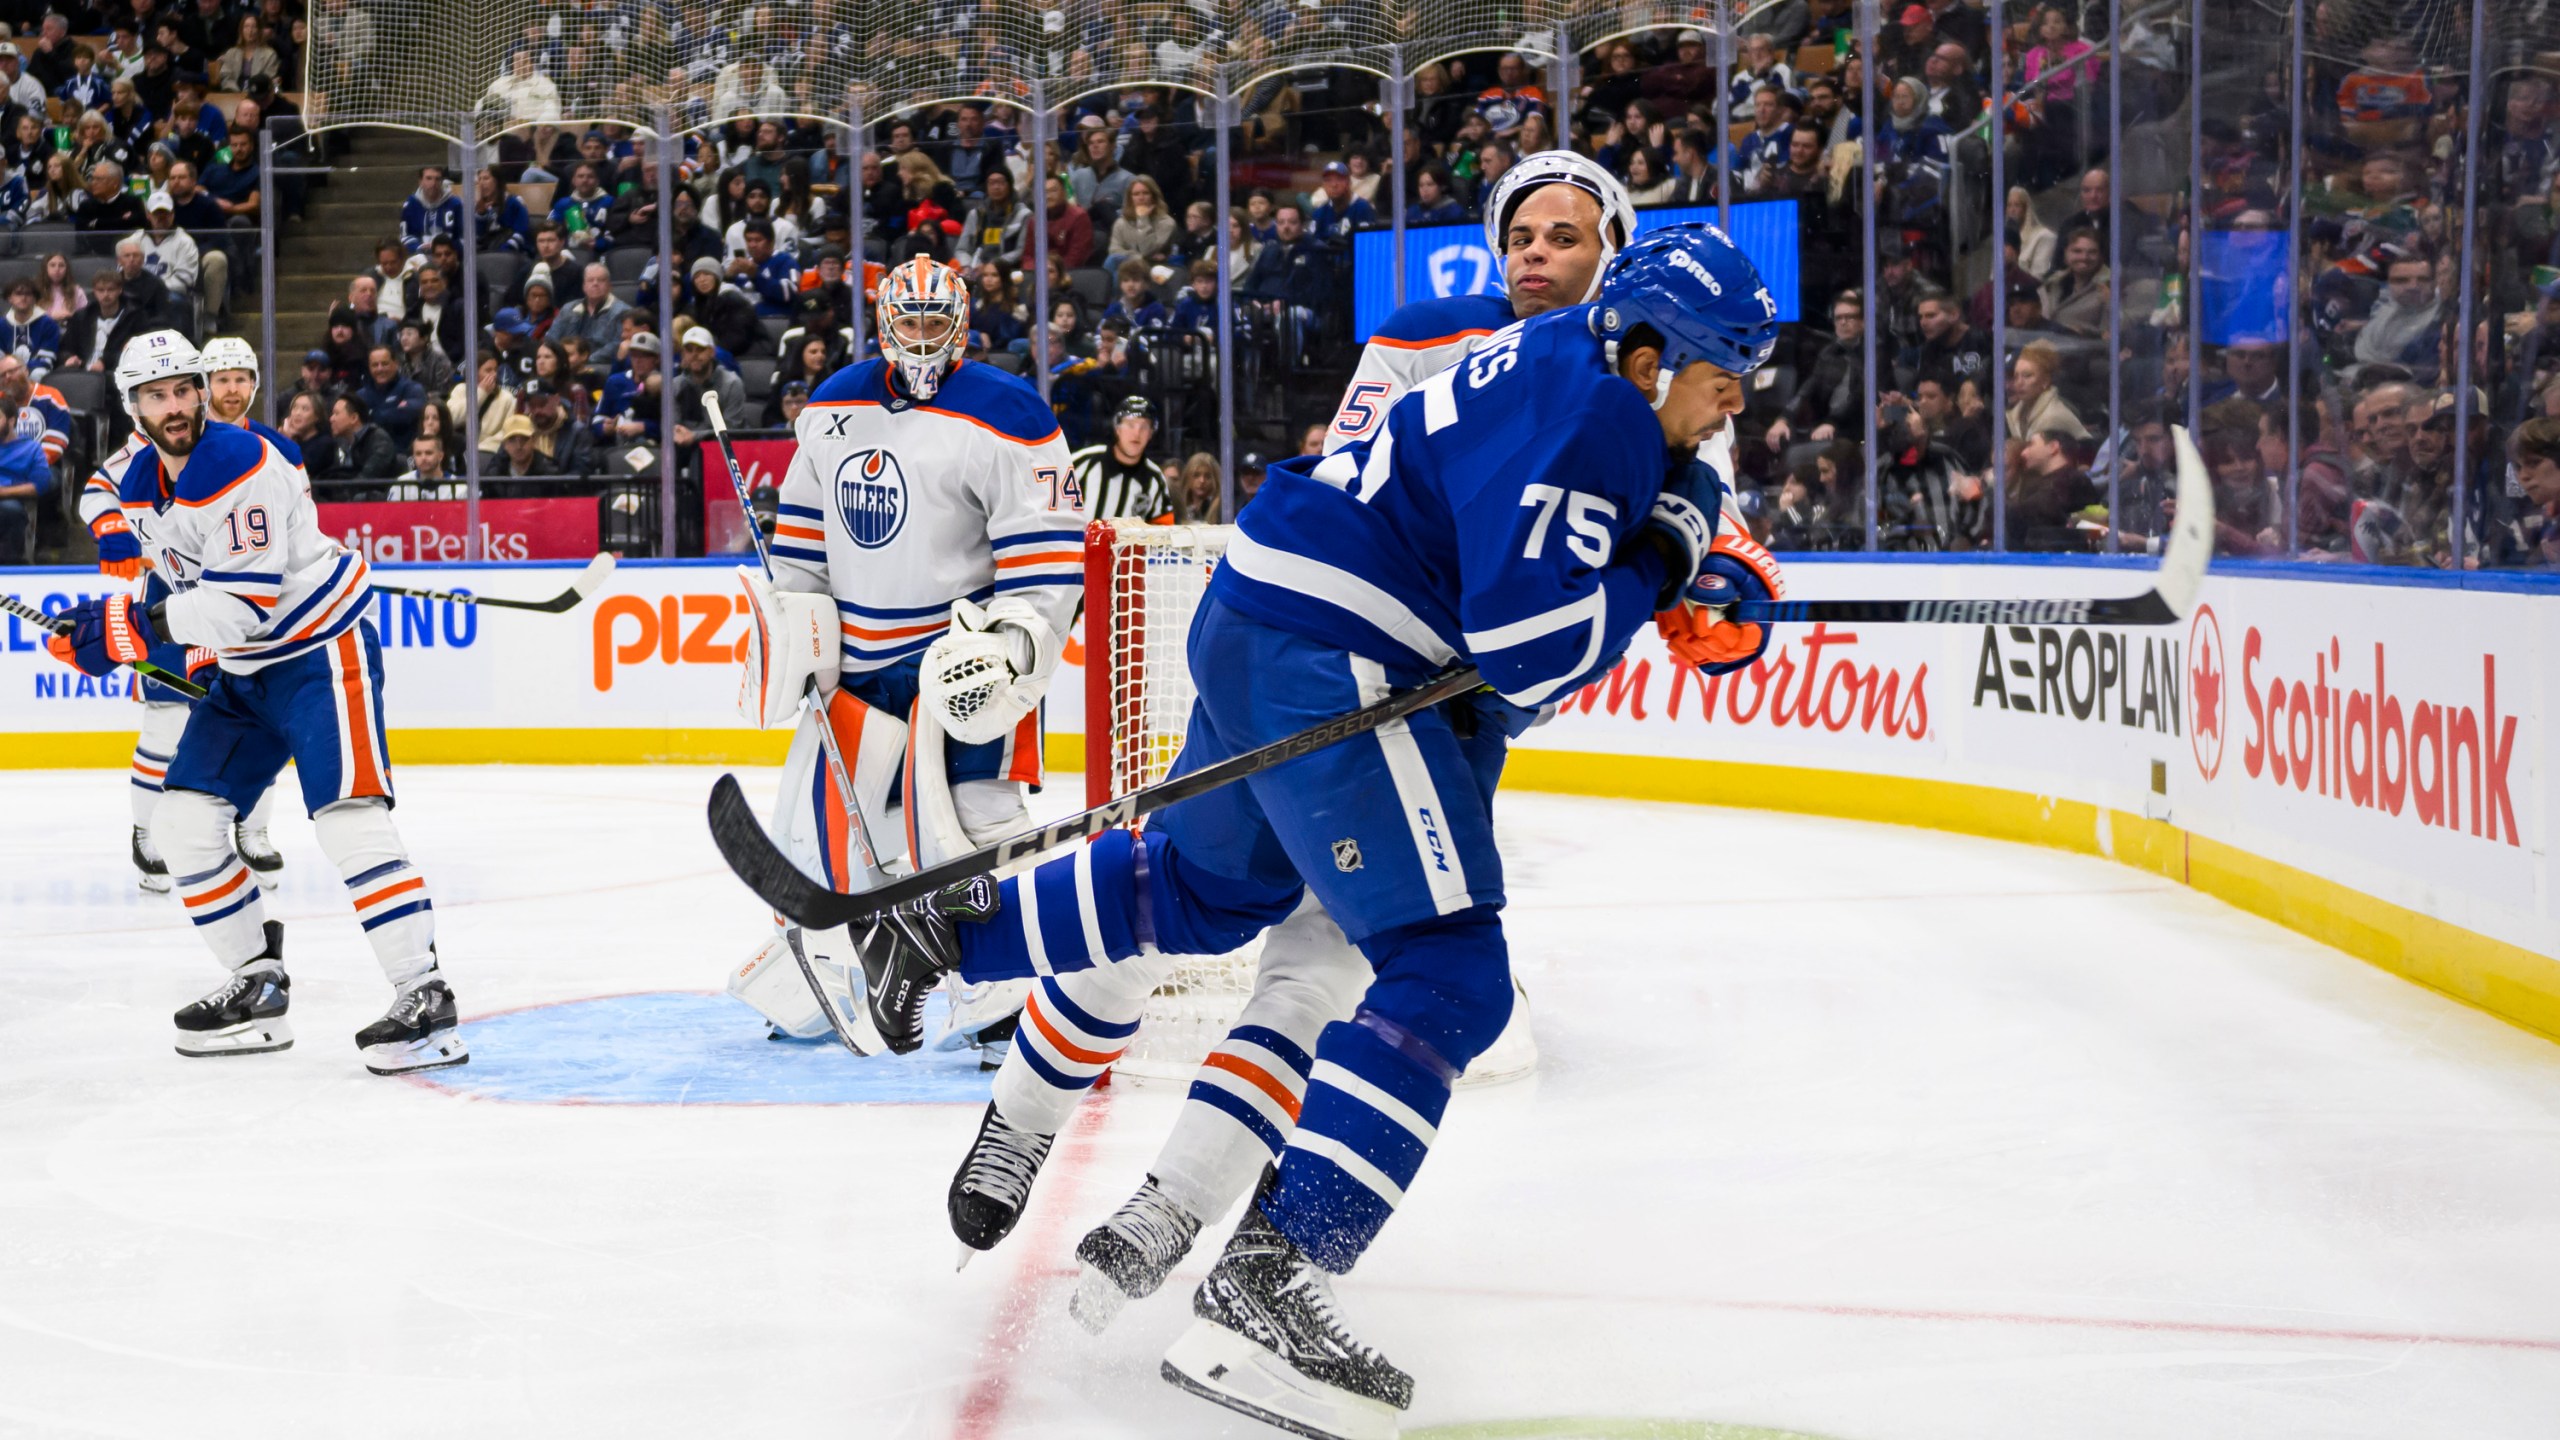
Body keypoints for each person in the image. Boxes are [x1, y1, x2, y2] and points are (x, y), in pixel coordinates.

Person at [809, 226, 1783, 1433]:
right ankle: (1274, 1280)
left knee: (1205, 891)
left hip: (1264, 606)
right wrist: (1667, 558)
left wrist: (1679, 522)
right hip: (1341, 653)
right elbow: (1528, 656)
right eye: (1719, 368)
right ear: (1645, 353)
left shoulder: (1567, 365)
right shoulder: (1602, 418)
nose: (1736, 396)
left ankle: (944, 936)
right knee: (1451, 974)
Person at [46, 331, 466, 1073]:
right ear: (132, 406)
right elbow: (176, 579)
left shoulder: (242, 462)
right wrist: (103, 620)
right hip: (245, 673)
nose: (175, 407)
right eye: (157, 395)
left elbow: (238, 603)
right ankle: (256, 985)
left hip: (319, 655)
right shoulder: (141, 477)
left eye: (185, 390)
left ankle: (424, 995)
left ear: (203, 392)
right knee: (182, 825)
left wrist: (124, 632)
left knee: (348, 821)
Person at [718, 256, 1082, 1086]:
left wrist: (1016, 646)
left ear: (959, 325)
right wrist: (796, 628)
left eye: (933, 322)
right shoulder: (834, 404)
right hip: (858, 656)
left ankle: (1009, 995)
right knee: (823, 827)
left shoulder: (1010, 412)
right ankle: (816, 971)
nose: (920, 337)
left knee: (979, 821)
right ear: (884, 322)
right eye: (907, 321)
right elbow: (805, 546)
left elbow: (1049, 558)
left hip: (959, 654)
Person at [1070, 394, 1174, 522]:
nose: (1137, 433)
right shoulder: (1082, 462)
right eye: (1130, 425)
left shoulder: (1155, 479)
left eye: (1144, 426)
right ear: (1117, 428)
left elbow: (1163, 531)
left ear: (1151, 433)